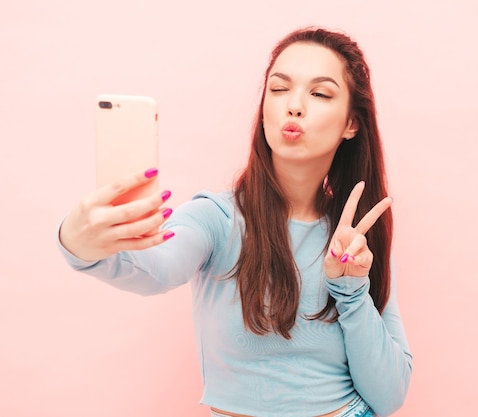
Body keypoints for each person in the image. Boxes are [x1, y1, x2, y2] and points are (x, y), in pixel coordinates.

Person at [58, 27, 412, 417]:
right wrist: (79, 243)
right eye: (279, 89)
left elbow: (389, 394)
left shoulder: (357, 238)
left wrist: (350, 290)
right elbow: (155, 269)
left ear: (352, 124)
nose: (294, 106)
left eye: (320, 93)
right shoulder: (216, 218)